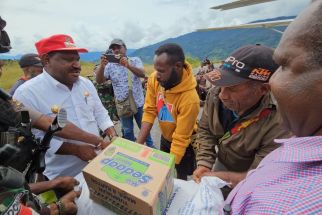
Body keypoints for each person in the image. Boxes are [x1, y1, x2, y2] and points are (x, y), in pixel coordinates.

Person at [223, 1, 322, 214]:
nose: (222, 95)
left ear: (261, 90)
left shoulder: (293, 205)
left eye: (284, 66)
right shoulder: (301, 133)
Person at [13, 34, 117, 180]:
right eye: (68, 60)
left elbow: (100, 113)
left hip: (96, 165)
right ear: (46, 60)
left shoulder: (85, 84)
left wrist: (112, 135)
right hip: (61, 176)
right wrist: (76, 149)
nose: (77, 65)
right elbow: (35, 137)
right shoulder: (26, 93)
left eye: (77, 59)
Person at [193, 44, 291, 192]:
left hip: (248, 174)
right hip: (223, 162)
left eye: (232, 88)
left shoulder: (279, 122)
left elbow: (258, 177)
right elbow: (205, 130)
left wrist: (221, 178)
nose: (222, 95)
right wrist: (204, 163)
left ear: (263, 89)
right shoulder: (216, 93)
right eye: (222, 84)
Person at [137, 43, 200, 180]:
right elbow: (149, 110)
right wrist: (138, 145)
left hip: (184, 143)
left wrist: (167, 168)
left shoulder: (190, 99)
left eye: (161, 71)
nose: (156, 75)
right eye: (156, 70)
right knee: (162, 174)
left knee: (180, 176)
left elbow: (180, 138)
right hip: (165, 137)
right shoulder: (155, 79)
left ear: (177, 66)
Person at [95, 39, 154, 147]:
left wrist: (128, 65)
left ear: (125, 48)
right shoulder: (109, 66)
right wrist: (102, 66)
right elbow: (99, 81)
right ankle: (132, 153)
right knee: (127, 132)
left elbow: (142, 74)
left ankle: (152, 152)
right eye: (113, 48)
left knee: (145, 131)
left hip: (138, 103)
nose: (116, 50)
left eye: (118, 47)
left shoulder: (135, 60)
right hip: (123, 105)